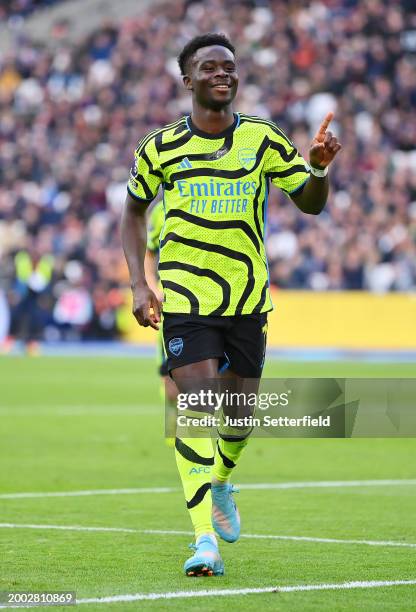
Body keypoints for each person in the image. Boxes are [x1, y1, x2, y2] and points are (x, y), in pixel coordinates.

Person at [121, 32, 341, 577]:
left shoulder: (263, 139)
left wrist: (317, 170)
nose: (223, 74)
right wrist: (139, 284)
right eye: (210, 67)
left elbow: (310, 206)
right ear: (188, 80)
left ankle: (220, 482)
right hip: (187, 301)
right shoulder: (160, 146)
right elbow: (132, 214)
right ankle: (203, 544)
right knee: (194, 406)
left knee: (239, 415)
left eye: (229, 67)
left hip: (246, 301)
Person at [144, 200, 178, 444]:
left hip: (205, 305)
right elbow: (149, 251)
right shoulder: (160, 211)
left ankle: (191, 437)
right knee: (171, 387)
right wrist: (152, 288)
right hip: (171, 308)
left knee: (201, 382)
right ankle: (174, 413)